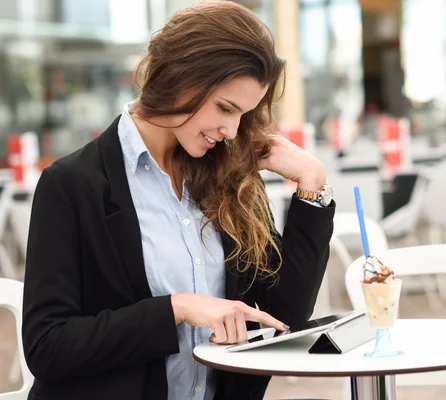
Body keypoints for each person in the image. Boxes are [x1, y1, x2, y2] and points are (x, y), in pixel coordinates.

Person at [21, 2, 335, 400]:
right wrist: (177, 308)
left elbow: (283, 316)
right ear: (180, 78)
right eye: (225, 108)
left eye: (244, 115)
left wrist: (312, 185)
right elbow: (48, 346)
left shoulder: (228, 180)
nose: (232, 130)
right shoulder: (72, 185)